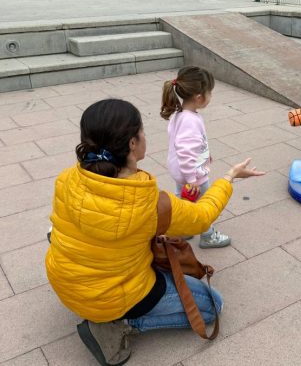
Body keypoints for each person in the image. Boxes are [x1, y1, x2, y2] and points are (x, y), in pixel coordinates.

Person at [45, 98, 264, 366]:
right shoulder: (148, 202)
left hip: (64, 281)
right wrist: (229, 178)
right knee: (211, 306)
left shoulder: (67, 178)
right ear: (132, 144)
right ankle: (118, 324)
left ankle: (101, 310)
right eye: (142, 131)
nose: (144, 136)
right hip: (111, 296)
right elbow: (202, 217)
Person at [161, 66, 231, 249]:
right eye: (210, 92)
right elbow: (186, 151)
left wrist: (204, 154)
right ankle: (208, 235)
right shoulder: (190, 121)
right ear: (199, 97)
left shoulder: (180, 114)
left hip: (180, 171)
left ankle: (184, 228)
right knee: (204, 205)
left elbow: (185, 146)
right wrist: (193, 180)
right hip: (192, 174)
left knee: (182, 201)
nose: (211, 96)